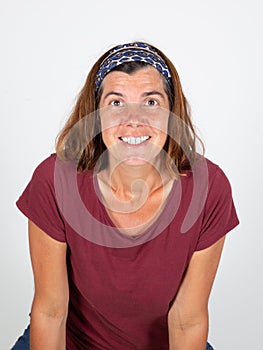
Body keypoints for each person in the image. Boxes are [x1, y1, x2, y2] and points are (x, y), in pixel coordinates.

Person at [11, 42, 239, 350]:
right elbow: (51, 311)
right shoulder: (55, 180)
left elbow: (187, 319)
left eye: (151, 102)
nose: (134, 119)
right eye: (116, 103)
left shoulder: (209, 188)